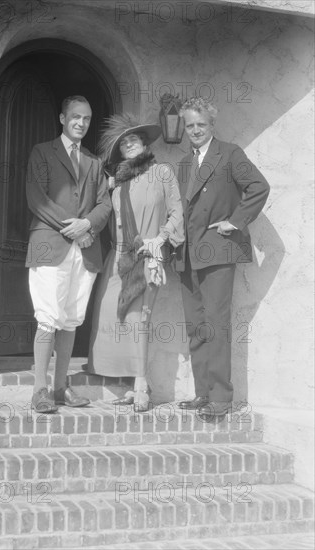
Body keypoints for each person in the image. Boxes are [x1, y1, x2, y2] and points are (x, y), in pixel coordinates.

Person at [175, 97, 270, 416]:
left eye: (201, 124)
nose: (195, 130)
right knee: (196, 326)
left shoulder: (230, 153)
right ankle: (203, 392)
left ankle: (220, 398)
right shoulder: (184, 163)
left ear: (212, 125)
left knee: (215, 325)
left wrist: (236, 220)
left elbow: (259, 186)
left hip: (216, 251)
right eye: (190, 125)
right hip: (187, 255)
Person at [87, 113, 186, 412]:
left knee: (140, 319)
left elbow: (177, 211)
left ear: (144, 144)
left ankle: (142, 385)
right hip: (119, 257)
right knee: (111, 317)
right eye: (124, 143)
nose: (129, 144)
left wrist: (162, 239)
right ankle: (128, 381)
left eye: (134, 140)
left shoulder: (162, 173)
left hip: (149, 255)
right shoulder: (118, 184)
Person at [26, 95, 111, 413]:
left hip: (84, 250)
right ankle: (39, 390)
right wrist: (72, 227)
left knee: (71, 320)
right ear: (63, 119)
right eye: (75, 117)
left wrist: (88, 224)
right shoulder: (41, 152)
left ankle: (61, 388)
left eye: (86, 118)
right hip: (51, 245)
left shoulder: (94, 161)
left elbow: (105, 202)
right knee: (48, 317)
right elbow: (37, 197)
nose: (81, 123)